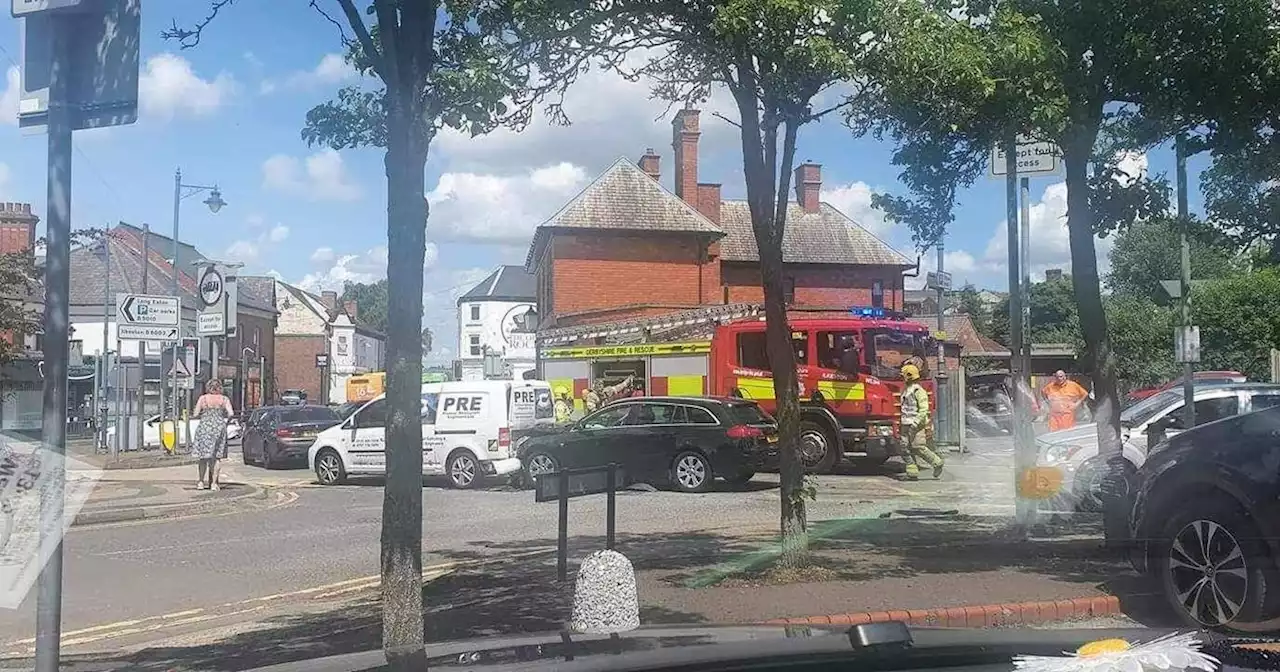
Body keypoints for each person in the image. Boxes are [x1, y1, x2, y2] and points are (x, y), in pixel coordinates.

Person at [900, 363, 944, 481]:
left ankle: (937, 463)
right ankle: (912, 472)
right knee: (904, 448)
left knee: (918, 447)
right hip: (905, 423)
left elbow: (924, 410)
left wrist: (916, 424)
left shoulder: (919, 391)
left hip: (916, 424)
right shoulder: (906, 390)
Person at [191, 379, 234, 490]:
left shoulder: (203, 398)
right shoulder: (224, 399)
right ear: (220, 388)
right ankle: (214, 484)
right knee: (217, 457)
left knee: (203, 458)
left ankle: (200, 482)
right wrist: (225, 422)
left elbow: (195, 414)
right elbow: (231, 414)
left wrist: (202, 414)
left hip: (204, 428)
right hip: (219, 427)